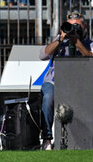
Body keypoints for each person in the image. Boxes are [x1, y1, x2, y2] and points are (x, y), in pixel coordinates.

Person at [39, 9, 93, 150]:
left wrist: (77, 42)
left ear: (85, 27)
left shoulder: (90, 43)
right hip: (55, 81)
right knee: (48, 96)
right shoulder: (59, 41)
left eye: (77, 26)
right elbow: (43, 55)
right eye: (70, 25)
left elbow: (89, 56)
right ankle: (47, 139)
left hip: (82, 85)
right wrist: (60, 39)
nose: (73, 29)